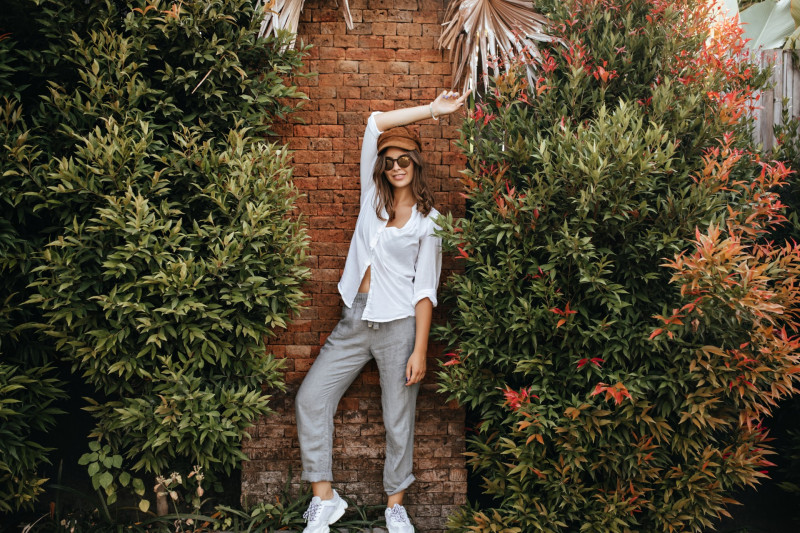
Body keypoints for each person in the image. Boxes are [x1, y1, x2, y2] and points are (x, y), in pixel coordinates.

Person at [294, 90, 468, 533]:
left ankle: (395, 506)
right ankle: (325, 499)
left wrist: (420, 351)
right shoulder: (370, 197)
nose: (395, 166)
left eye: (403, 160)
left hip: (399, 328)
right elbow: (374, 124)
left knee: (397, 420)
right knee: (311, 399)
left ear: (416, 164)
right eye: (389, 160)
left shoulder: (429, 223)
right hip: (355, 317)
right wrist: (432, 109)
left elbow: (426, 290)